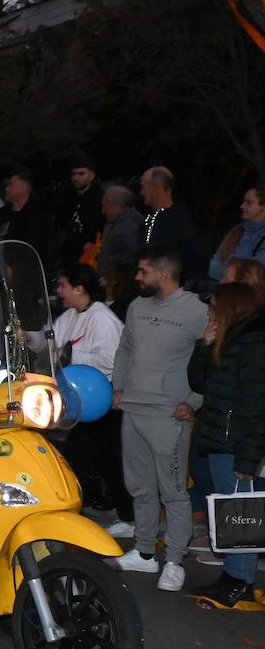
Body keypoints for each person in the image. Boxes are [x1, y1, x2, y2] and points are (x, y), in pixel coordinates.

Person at [111, 246, 209, 591]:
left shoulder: (197, 311)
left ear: (163, 274)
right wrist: (118, 388)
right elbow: (124, 350)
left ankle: (175, 561)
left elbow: (215, 359)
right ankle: (144, 552)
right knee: (139, 486)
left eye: (142, 271)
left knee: (174, 492)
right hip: (133, 410)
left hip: (169, 415)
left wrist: (194, 402)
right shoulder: (137, 307)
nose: (137, 278)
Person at [187, 282, 265, 606]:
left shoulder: (254, 343)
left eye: (214, 306)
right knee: (230, 512)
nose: (210, 312)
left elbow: (258, 407)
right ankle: (235, 575)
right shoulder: (231, 341)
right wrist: (204, 344)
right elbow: (200, 383)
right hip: (222, 438)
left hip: (236, 443)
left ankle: (240, 581)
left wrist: (248, 461)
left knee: (239, 514)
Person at [52, 263, 131, 525]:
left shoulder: (102, 318)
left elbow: (111, 360)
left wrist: (73, 355)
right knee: (99, 461)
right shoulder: (71, 315)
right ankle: (125, 516)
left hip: (101, 402)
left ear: (79, 288)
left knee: (100, 460)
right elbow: (51, 340)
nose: (59, 292)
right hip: (78, 401)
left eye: (63, 286)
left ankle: (126, 517)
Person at [139, 166, 205, 282]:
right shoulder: (149, 218)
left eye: (144, 188)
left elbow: (192, 261)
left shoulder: (181, 222)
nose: (141, 192)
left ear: (155, 188)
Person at [0, 170, 51, 262]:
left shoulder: (37, 214)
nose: (6, 189)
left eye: (11, 185)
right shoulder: (2, 214)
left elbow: (35, 247)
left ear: (22, 188)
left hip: (23, 266)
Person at [208, 185, 265, 281]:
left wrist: (231, 268)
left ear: (263, 208)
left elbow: (257, 272)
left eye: (249, 203)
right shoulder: (237, 230)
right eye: (244, 202)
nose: (242, 206)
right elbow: (213, 267)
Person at [55, 157, 103, 266]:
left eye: (81, 174)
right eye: (73, 174)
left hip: (89, 257)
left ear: (91, 176)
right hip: (67, 254)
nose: (76, 178)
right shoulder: (66, 197)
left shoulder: (99, 199)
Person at [95, 184, 142, 279]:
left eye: (105, 206)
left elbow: (128, 263)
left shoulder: (130, 228)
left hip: (118, 285)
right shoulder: (114, 222)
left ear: (117, 206)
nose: (103, 211)